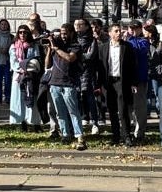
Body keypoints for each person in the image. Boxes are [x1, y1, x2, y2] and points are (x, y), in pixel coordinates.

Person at [95, 24, 138, 148]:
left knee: (123, 109)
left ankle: (127, 136)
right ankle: (115, 136)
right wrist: (98, 84)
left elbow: (132, 65)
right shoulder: (103, 48)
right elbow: (100, 67)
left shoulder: (127, 47)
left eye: (120, 31)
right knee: (112, 110)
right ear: (110, 33)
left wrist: (133, 83)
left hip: (122, 81)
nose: (119, 33)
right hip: (108, 82)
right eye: (116, 31)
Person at [46, 23, 87, 151]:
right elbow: (47, 65)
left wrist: (57, 49)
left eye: (65, 33)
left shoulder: (75, 46)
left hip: (69, 83)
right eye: (61, 34)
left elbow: (70, 58)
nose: (63, 36)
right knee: (60, 112)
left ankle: (79, 136)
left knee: (73, 111)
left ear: (71, 33)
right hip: (55, 83)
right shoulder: (56, 45)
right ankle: (65, 134)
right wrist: (50, 49)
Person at [9, 25, 43, 130]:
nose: (22, 34)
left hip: (31, 75)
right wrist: (22, 69)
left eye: (25, 32)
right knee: (19, 99)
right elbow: (13, 62)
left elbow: (36, 59)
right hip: (19, 76)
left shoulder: (33, 45)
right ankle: (22, 122)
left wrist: (29, 68)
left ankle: (35, 123)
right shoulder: (14, 46)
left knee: (32, 97)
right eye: (20, 32)